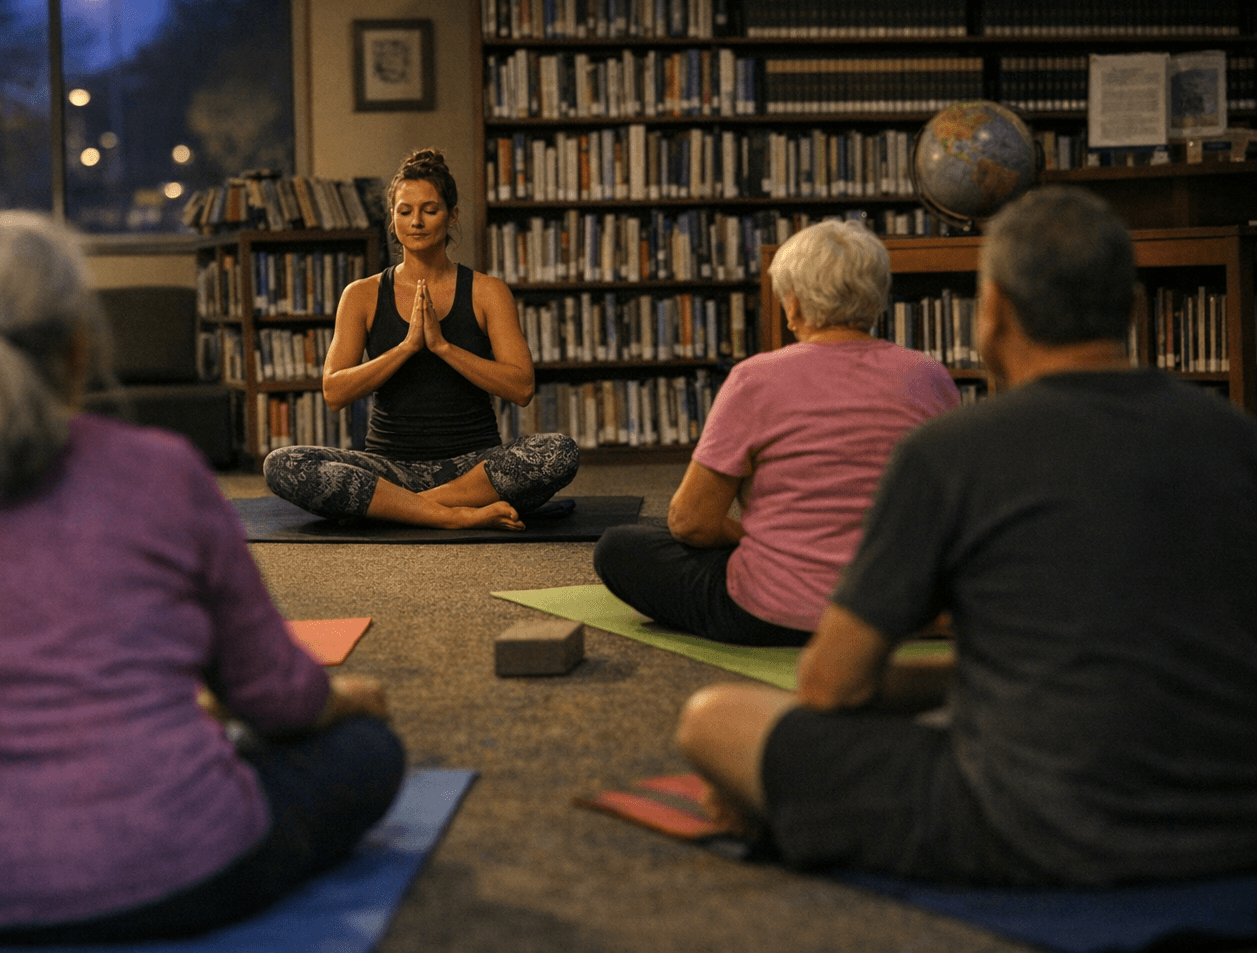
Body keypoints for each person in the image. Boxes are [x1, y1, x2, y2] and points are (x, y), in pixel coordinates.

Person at [0, 210, 405, 943]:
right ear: (80, 342)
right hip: (168, 872)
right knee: (366, 750)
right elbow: (275, 698)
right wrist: (339, 700)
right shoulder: (165, 471)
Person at [675, 186, 1257, 886]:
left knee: (714, 717)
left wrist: (937, 683)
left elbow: (830, 686)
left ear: (995, 311)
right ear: (1132, 309)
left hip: (1025, 824)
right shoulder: (1235, 438)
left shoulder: (952, 452)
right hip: (1229, 820)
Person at [593, 219, 959, 645]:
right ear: (878, 297)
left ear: (794, 304)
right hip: (890, 606)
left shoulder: (755, 378)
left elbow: (691, 523)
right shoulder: (928, 376)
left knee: (621, 547)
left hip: (771, 612)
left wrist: (757, 538)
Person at [263, 149, 578, 530]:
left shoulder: (487, 292)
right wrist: (406, 347)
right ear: (392, 217)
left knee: (558, 451)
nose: (416, 222)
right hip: (388, 469)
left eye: (430, 210)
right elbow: (334, 392)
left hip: (473, 469)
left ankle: (403, 510)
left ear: (452, 215)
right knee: (283, 463)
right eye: (404, 211)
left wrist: (444, 347)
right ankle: (451, 515)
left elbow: (522, 387)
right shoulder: (361, 295)